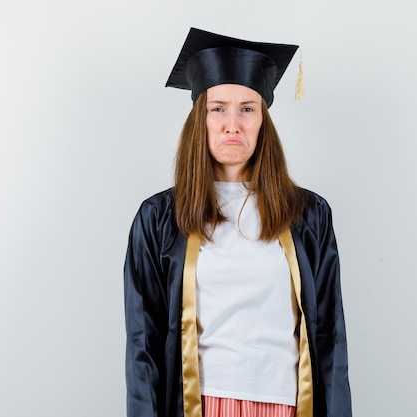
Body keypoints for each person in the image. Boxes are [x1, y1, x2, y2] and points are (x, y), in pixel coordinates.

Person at [124, 27, 352, 417]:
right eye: (218, 108)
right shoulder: (160, 218)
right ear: (201, 118)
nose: (234, 124)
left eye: (247, 108)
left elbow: (329, 335)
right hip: (199, 404)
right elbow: (143, 343)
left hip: (289, 404)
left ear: (263, 119)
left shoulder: (308, 215)